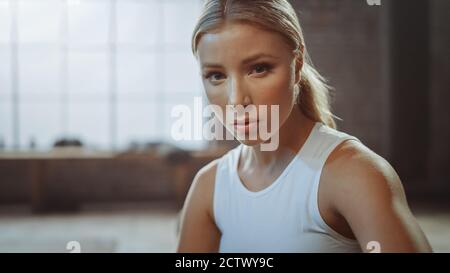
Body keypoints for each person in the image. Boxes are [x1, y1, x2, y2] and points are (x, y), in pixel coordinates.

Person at [176, 0, 432, 253]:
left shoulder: (355, 175)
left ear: (297, 65)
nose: (236, 100)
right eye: (216, 76)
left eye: (259, 68)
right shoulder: (209, 187)